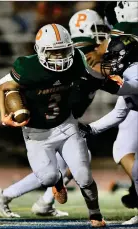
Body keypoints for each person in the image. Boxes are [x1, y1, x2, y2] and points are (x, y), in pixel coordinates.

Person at [0, 23, 107, 227]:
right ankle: (55, 184)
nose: (61, 57)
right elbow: (2, 87)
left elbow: (91, 79)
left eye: (64, 50)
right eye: (54, 52)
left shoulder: (78, 60)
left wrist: (110, 81)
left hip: (65, 124)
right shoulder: (27, 67)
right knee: (48, 177)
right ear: (41, 51)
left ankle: (95, 215)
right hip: (37, 132)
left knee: (83, 173)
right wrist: (4, 115)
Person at [31, 9, 111, 217]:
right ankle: (20, 197)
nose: (59, 57)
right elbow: (6, 86)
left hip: (67, 121)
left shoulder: (75, 57)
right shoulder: (80, 59)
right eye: (98, 30)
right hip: (47, 122)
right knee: (50, 172)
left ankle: (47, 202)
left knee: (77, 168)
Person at [79, 34, 138, 225]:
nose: (109, 61)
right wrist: (90, 129)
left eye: (112, 56)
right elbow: (119, 113)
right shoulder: (129, 71)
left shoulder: (135, 70)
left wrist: (99, 81)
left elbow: (130, 86)